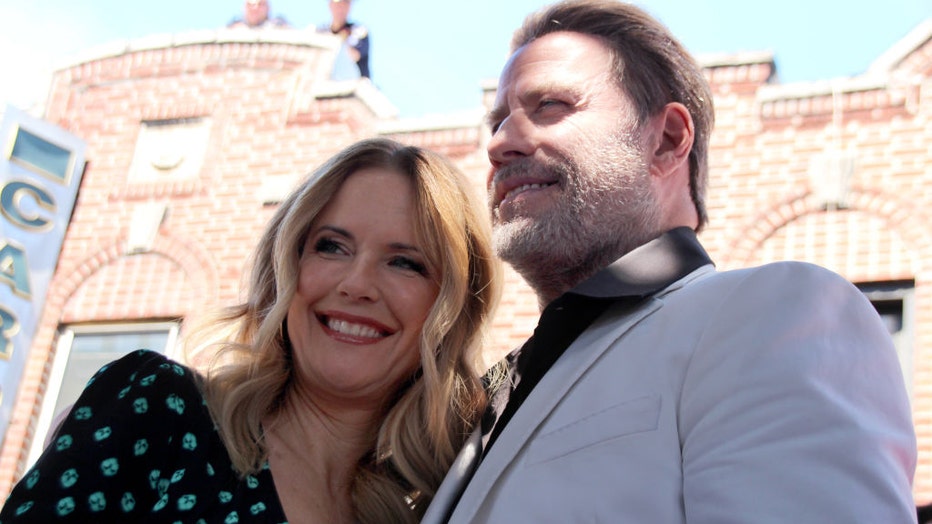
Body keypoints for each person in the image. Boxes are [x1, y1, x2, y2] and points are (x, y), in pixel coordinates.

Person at [422, 1, 918, 522]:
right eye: (497, 121)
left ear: (668, 140)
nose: (500, 142)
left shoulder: (771, 314)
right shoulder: (493, 394)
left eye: (549, 105)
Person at [0, 138, 501, 523]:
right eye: (331, 246)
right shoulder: (161, 411)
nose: (357, 284)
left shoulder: (437, 509)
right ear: (286, 267)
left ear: (451, 304)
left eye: (404, 262)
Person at [317, 0, 371, 78]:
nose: (342, 7)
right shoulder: (320, 32)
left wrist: (340, 39)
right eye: (338, 2)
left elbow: (354, 55)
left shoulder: (358, 31)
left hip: (353, 85)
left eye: (346, 2)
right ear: (330, 4)